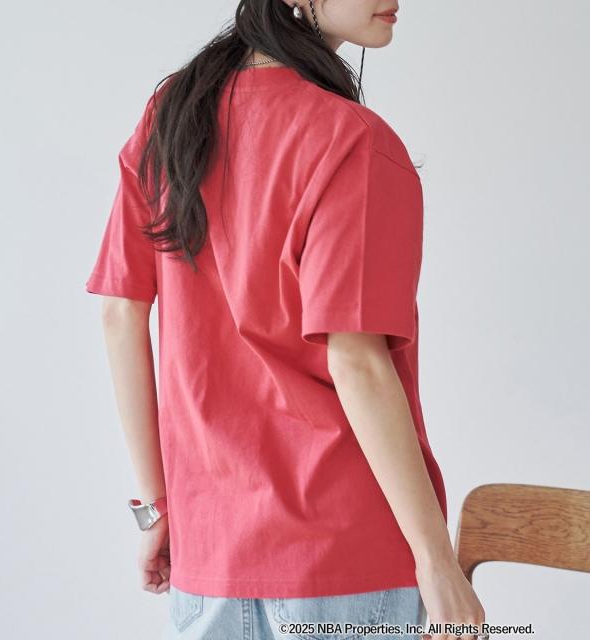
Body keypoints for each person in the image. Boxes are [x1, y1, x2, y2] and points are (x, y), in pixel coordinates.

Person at [84, 1, 486, 639]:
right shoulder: (350, 139)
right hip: (344, 560)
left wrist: (156, 507)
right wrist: (437, 562)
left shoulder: (172, 116)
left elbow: (119, 315)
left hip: (209, 556)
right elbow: (355, 360)